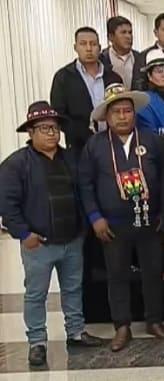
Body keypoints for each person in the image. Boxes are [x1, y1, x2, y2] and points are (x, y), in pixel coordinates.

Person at [0, 102, 103, 366]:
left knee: (72, 289)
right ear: (30, 133)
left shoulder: (70, 158)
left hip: (71, 239)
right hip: (39, 244)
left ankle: (76, 332)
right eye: (44, 129)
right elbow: (7, 205)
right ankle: (37, 342)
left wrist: (82, 230)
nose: (51, 134)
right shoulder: (15, 164)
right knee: (36, 294)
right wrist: (24, 234)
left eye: (55, 128)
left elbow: (83, 193)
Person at [78, 84, 164, 352]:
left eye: (127, 111)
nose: (123, 116)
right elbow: (85, 186)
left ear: (135, 113)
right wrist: (95, 217)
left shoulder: (152, 140)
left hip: (149, 221)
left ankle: (154, 320)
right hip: (112, 225)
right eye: (117, 112)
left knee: (153, 274)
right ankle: (122, 326)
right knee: (117, 275)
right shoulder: (95, 146)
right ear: (107, 117)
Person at [50, 26, 123, 151]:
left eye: (93, 44)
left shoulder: (113, 77)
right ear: (75, 47)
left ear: (99, 48)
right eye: (83, 44)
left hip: (114, 144)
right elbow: (59, 115)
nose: (89, 49)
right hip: (79, 147)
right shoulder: (63, 77)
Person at [100, 16, 144, 91]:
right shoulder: (102, 60)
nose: (128, 36)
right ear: (111, 37)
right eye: (123, 32)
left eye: (130, 32)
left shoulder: (140, 58)